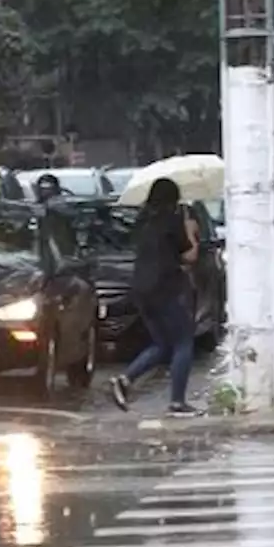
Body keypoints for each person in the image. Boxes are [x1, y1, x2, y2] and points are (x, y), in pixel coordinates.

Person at [109, 177, 202, 417]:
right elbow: (189, 256)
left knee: (162, 344)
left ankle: (125, 378)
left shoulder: (142, 220)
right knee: (184, 341)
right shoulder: (171, 221)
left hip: (141, 289)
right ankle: (178, 402)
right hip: (166, 287)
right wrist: (192, 233)